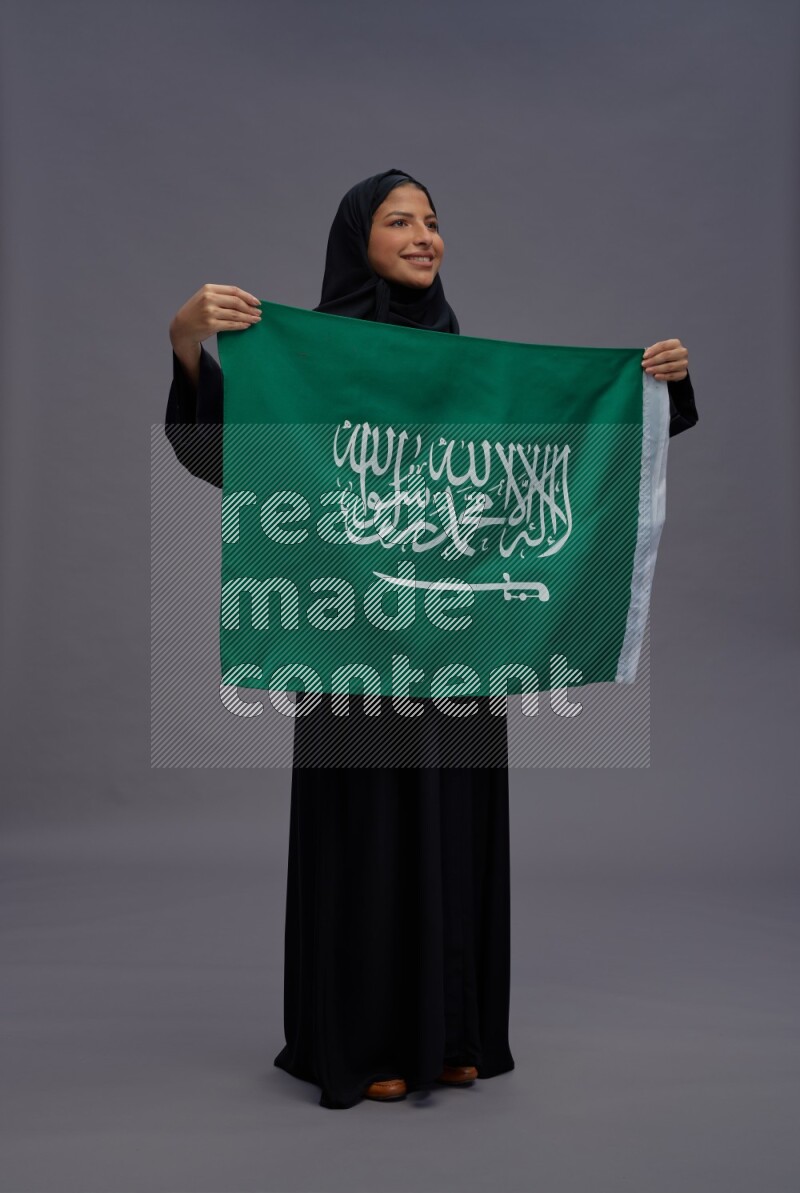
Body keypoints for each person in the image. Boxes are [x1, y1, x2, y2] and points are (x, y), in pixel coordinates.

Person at [165, 168, 699, 1110]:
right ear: (356, 241)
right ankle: (359, 1035)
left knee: (456, 827)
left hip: (458, 648)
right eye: (400, 220)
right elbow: (227, 460)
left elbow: (578, 455)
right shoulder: (301, 360)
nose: (424, 236)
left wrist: (657, 389)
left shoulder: (468, 371)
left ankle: (455, 1030)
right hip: (350, 651)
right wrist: (186, 344)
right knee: (366, 835)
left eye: (434, 222)